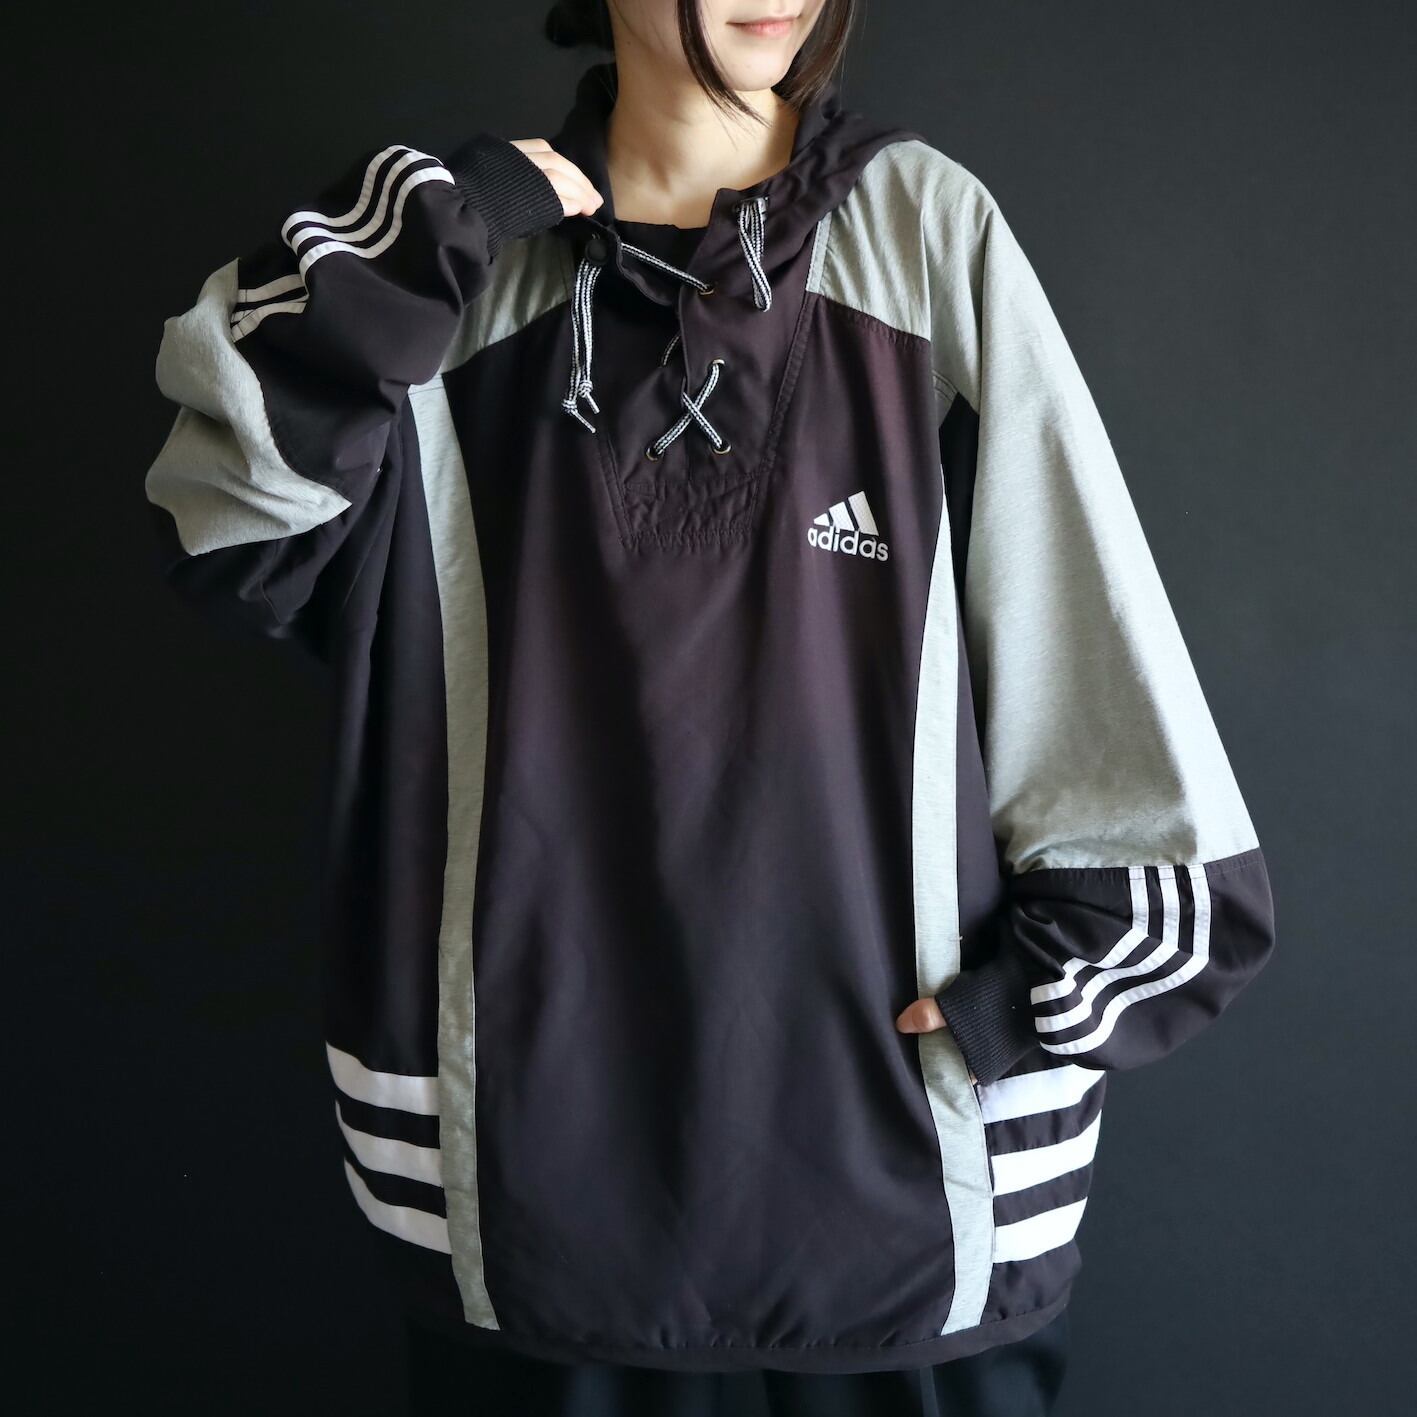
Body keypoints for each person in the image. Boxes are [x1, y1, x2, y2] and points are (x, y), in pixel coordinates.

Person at [141, 1, 1276, 1412]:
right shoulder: (459, 266)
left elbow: (1080, 624)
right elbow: (229, 532)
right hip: (525, 1189)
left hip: (904, 1186)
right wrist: (440, 226)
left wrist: (1044, 991)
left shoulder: (920, 229)